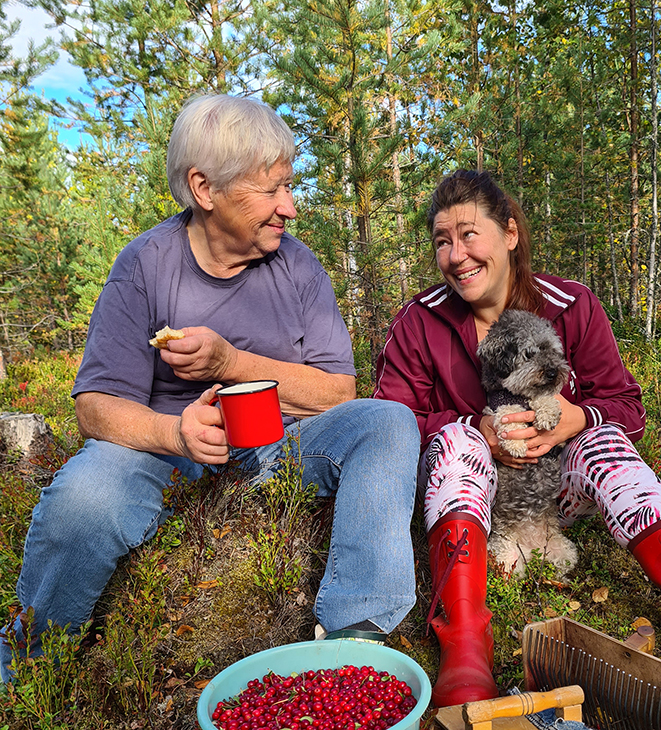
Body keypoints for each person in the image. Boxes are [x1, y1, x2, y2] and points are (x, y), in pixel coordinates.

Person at [0, 95, 420, 683]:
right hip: (162, 452)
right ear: (204, 188)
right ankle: (25, 669)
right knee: (85, 498)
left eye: (288, 187)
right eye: (271, 190)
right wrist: (174, 432)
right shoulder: (145, 264)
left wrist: (231, 360)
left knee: (389, 422)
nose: (290, 208)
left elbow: (339, 395)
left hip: (280, 448)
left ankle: (355, 640)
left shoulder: (298, 268)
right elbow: (94, 409)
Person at [373, 169, 661, 721]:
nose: (456, 255)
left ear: (510, 233)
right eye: (442, 241)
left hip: (558, 494)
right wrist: (480, 428)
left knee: (602, 436)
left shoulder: (571, 306)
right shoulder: (420, 322)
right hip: (470, 499)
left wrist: (575, 418)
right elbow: (390, 425)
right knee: (458, 435)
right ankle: (465, 643)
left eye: (469, 234)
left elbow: (627, 407)